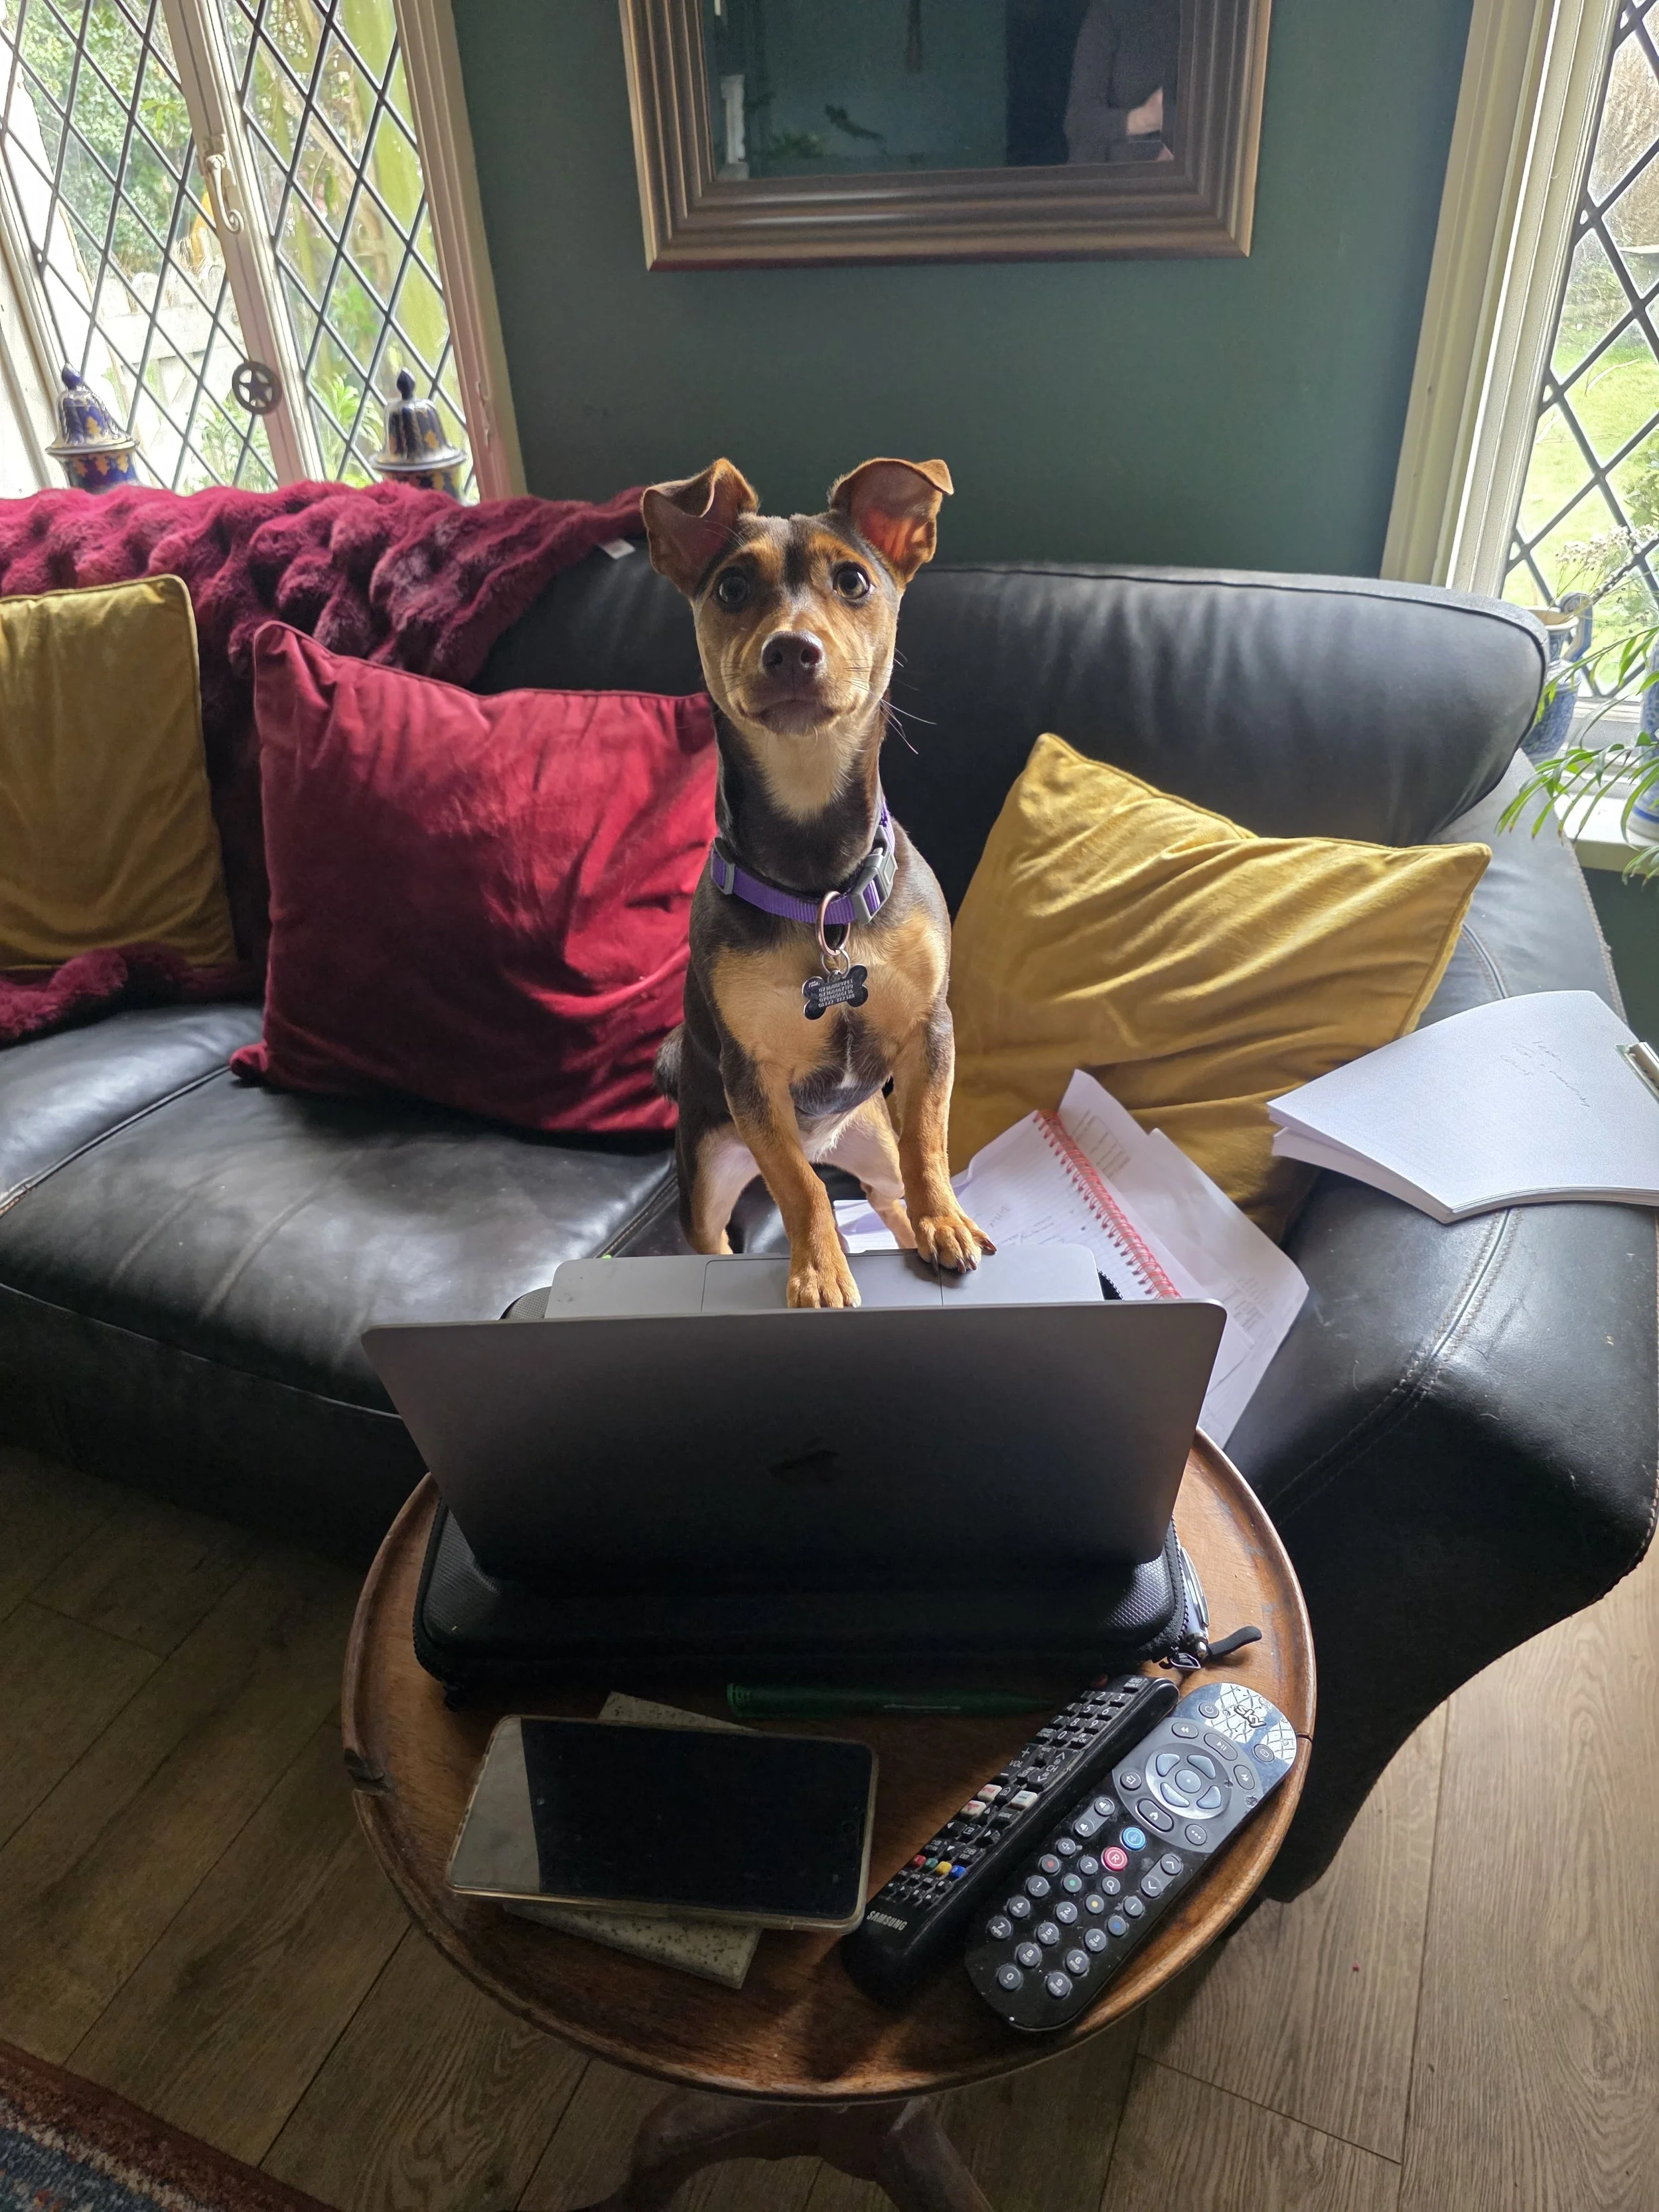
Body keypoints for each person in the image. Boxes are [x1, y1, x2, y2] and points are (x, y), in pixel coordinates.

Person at [1063, 0, 1179, 164]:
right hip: (1112, 178)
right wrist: (1143, 119)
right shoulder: (1110, 11)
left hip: (1193, 176)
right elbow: (1079, 123)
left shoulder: (1207, 15)